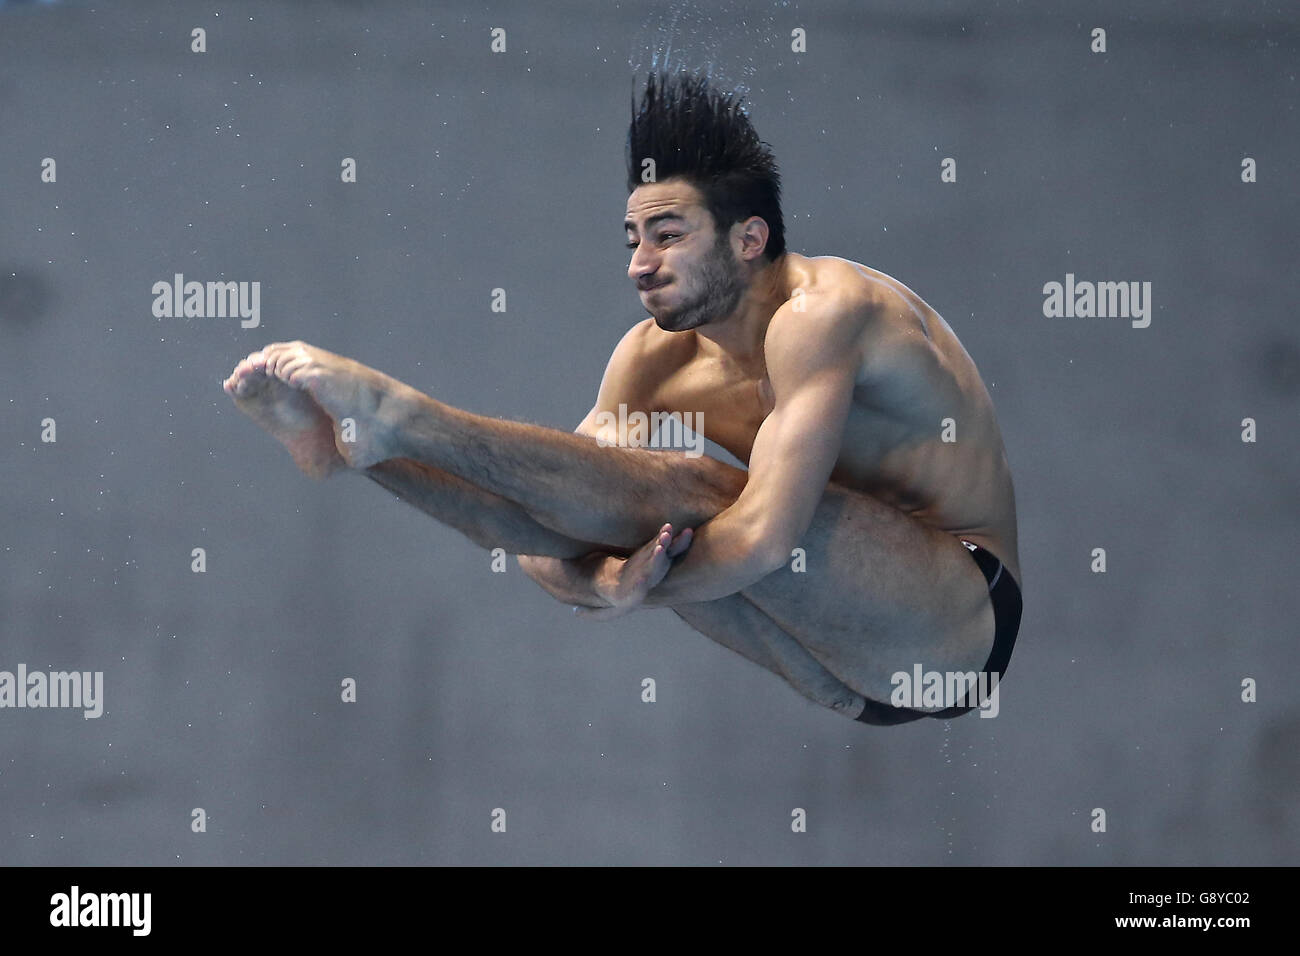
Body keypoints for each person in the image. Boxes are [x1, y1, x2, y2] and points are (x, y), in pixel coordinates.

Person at [222, 71, 1022, 724]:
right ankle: (362, 450)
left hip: (955, 619)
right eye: (633, 239)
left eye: (669, 235)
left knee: (690, 495)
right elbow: (542, 529)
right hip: (833, 657)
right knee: (618, 510)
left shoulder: (824, 314)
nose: (640, 264)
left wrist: (628, 587)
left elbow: (765, 544)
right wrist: (600, 582)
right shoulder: (652, 361)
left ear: (750, 239)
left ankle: (409, 418)